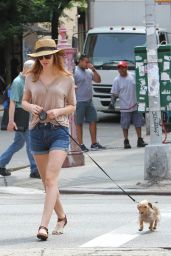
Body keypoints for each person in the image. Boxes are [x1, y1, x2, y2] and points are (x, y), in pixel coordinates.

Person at [22, 38, 76, 241]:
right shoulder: (31, 77)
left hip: (59, 131)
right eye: (40, 57)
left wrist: (58, 111)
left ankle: (43, 226)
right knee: (46, 181)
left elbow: (72, 106)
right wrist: (30, 107)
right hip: (36, 130)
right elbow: (24, 101)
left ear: (54, 55)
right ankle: (62, 216)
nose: (44, 60)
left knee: (52, 179)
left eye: (47, 56)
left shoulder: (67, 78)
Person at [0, 60, 40, 178]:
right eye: (33, 70)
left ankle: (1, 164)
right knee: (30, 144)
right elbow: (12, 103)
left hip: (26, 115)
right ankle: (34, 169)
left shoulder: (28, 80)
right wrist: (11, 121)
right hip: (21, 116)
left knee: (18, 143)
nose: (35, 72)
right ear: (27, 69)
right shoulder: (18, 82)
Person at [111, 61, 147, 149]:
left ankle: (140, 139)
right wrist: (112, 103)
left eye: (122, 67)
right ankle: (126, 141)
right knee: (125, 125)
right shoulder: (117, 80)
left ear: (126, 68)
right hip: (124, 106)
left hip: (135, 104)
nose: (121, 69)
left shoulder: (133, 76)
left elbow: (141, 83)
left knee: (138, 123)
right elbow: (114, 93)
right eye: (119, 68)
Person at [74, 54, 105, 152]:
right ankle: (81, 144)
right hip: (79, 101)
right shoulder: (74, 71)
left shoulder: (89, 71)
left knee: (93, 120)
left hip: (88, 100)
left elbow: (98, 80)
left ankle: (94, 143)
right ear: (80, 61)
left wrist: (94, 69)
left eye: (88, 62)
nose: (88, 64)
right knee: (79, 123)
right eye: (86, 62)